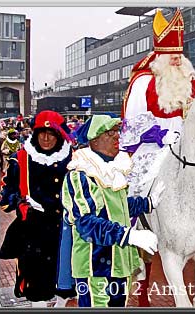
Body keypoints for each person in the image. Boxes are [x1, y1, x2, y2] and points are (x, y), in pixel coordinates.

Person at [119, 9, 195, 306]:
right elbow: (131, 123)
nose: (177, 60)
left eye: (180, 54)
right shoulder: (144, 81)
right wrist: (157, 135)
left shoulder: (191, 81)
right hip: (153, 149)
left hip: (188, 149)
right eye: (172, 55)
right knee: (137, 191)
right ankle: (132, 239)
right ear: (160, 57)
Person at [60, 115, 161, 307]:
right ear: (94, 139)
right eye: (110, 133)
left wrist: (148, 202)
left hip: (118, 262)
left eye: (117, 132)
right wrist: (128, 236)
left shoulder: (112, 169)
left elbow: (118, 207)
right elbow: (86, 222)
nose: (117, 137)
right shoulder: (81, 175)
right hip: (96, 265)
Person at [0, 110, 76, 307]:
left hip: (65, 232)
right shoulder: (21, 159)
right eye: (41, 132)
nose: (46, 138)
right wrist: (19, 202)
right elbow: (5, 195)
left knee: (65, 284)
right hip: (34, 234)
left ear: (59, 135)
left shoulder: (74, 159)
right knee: (37, 287)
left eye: (51, 133)